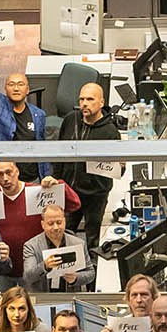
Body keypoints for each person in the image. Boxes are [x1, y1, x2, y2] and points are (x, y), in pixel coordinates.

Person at [53, 82, 120, 240]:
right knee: (65, 235)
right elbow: (59, 152)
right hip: (70, 191)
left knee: (92, 238)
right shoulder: (71, 120)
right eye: (81, 99)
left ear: (101, 102)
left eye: (90, 99)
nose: (84, 103)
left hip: (95, 195)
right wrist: (56, 179)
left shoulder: (110, 132)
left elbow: (117, 170)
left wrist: (119, 166)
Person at [0, 46, 46, 178]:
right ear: (5, 89)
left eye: (20, 84)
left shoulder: (38, 114)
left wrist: (45, 175)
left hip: (30, 176)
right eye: (11, 85)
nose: (16, 88)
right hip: (5, 177)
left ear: (28, 90)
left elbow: (42, 146)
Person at [22, 206, 91, 293]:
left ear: (64, 221)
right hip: (42, 296)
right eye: (50, 223)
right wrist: (45, 266)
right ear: (43, 224)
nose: (55, 227)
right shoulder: (31, 246)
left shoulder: (78, 243)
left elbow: (90, 273)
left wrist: (76, 278)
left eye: (59, 222)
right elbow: (28, 277)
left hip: (70, 295)